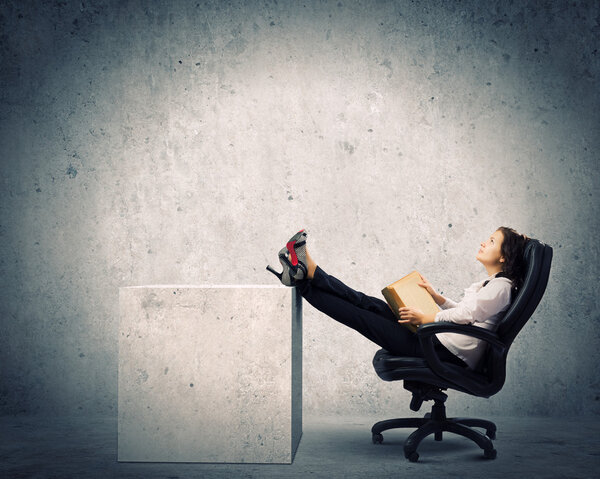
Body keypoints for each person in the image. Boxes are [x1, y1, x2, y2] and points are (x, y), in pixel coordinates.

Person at [266, 227, 529, 370]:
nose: (484, 243)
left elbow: (466, 317)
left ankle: (302, 283)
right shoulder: (491, 284)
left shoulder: (501, 287)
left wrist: (427, 317)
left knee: (362, 317)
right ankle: (310, 271)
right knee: (367, 303)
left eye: (492, 241)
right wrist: (437, 298)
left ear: (503, 257)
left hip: (442, 352)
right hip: (437, 339)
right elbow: (469, 313)